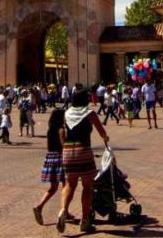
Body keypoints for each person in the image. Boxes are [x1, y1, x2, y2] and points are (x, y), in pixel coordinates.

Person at [56, 90, 109, 234]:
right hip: (83, 152)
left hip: (67, 152)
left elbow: (61, 131)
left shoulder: (66, 113)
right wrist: (106, 139)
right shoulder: (89, 113)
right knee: (87, 186)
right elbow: (101, 131)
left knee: (69, 185)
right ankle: (85, 220)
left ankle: (63, 210)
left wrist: (64, 145)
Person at [34, 108, 67, 226]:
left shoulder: (50, 129)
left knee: (53, 187)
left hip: (50, 157)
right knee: (66, 186)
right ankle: (64, 210)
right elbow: (64, 145)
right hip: (60, 158)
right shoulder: (61, 129)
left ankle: (39, 206)